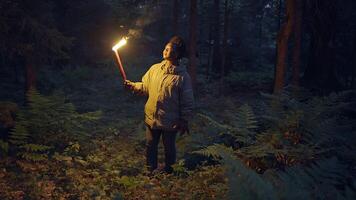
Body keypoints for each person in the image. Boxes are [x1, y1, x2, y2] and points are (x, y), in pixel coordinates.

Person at [124, 36, 194, 174]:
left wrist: (183, 120)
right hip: (152, 117)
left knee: (169, 147)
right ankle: (150, 170)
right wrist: (133, 86)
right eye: (165, 48)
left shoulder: (182, 77)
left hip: (170, 121)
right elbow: (145, 87)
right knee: (150, 145)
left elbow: (188, 102)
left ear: (176, 54)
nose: (165, 50)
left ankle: (169, 171)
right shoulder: (155, 69)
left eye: (168, 49)